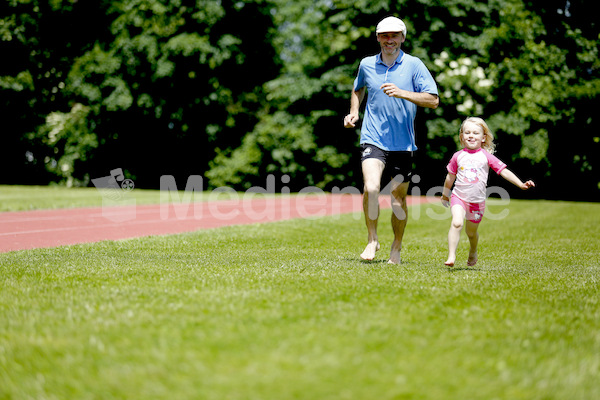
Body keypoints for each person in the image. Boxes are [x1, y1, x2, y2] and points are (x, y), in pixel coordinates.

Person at [343, 16, 439, 263]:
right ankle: (372, 239)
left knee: (397, 200)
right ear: (377, 38)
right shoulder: (366, 64)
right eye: (384, 35)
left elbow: (433, 100)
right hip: (373, 137)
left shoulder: (414, 65)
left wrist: (403, 93)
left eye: (394, 35)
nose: (389, 40)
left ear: (402, 38)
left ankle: (396, 247)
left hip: (403, 143)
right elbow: (358, 88)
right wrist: (354, 112)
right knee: (371, 187)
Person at [440, 117, 535, 267]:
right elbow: (449, 178)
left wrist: (521, 184)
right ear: (462, 136)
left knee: (471, 233)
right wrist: (446, 194)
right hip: (459, 197)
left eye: (475, 133)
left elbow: (504, 172)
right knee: (457, 223)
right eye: (467, 132)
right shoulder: (457, 156)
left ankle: (473, 251)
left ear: (483, 138)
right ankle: (451, 256)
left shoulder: (486, 156)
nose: (471, 135)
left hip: (477, 202)